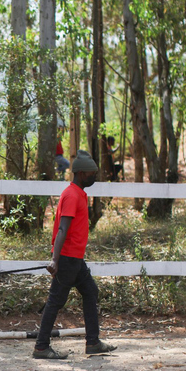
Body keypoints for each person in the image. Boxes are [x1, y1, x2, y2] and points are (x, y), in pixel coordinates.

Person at [33, 150, 116, 359]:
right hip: (68, 257)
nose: (95, 177)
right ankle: (41, 347)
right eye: (92, 174)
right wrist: (55, 259)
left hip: (75, 258)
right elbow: (62, 229)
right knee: (55, 301)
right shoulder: (71, 195)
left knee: (90, 291)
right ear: (81, 174)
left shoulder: (78, 194)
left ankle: (93, 342)